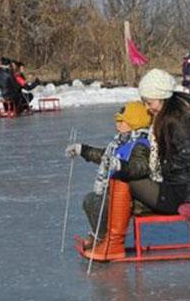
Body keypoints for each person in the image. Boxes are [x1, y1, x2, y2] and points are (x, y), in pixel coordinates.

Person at [65, 101, 152, 261]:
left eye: (122, 121)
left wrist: (120, 165)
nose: (117, 124)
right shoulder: (122, 142)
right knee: (92, 200)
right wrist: (83, 150)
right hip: (120, 194)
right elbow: (105, 157)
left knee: (95, 202)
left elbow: (140, 166)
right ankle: (101, 237)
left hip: (136, 198)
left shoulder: (141, 144)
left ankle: (107, 241)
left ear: (134, 123)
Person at [130, 68, 190, 221]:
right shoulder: (166, 118)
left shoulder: (178, 123)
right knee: (122, 175)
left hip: (179, 196)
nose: (146, 108)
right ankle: (108, 236)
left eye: (149, 102)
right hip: (170, 185)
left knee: (126, 179)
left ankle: (113, 240)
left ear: (162, 97)